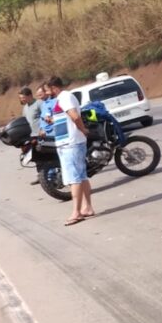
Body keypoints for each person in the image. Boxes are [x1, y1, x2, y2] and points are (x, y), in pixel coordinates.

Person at [47, 76, 95, 226]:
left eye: (48, 90)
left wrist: (83, 130)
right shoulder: (62, 99)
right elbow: (67, 118)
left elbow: (74, 116)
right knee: (81, 176)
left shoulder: (65, 97)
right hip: (70, 142)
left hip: (71, 143)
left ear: (54, 87)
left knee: (74, 178)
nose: (47, 93)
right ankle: (87, 207)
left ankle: (76, 212)